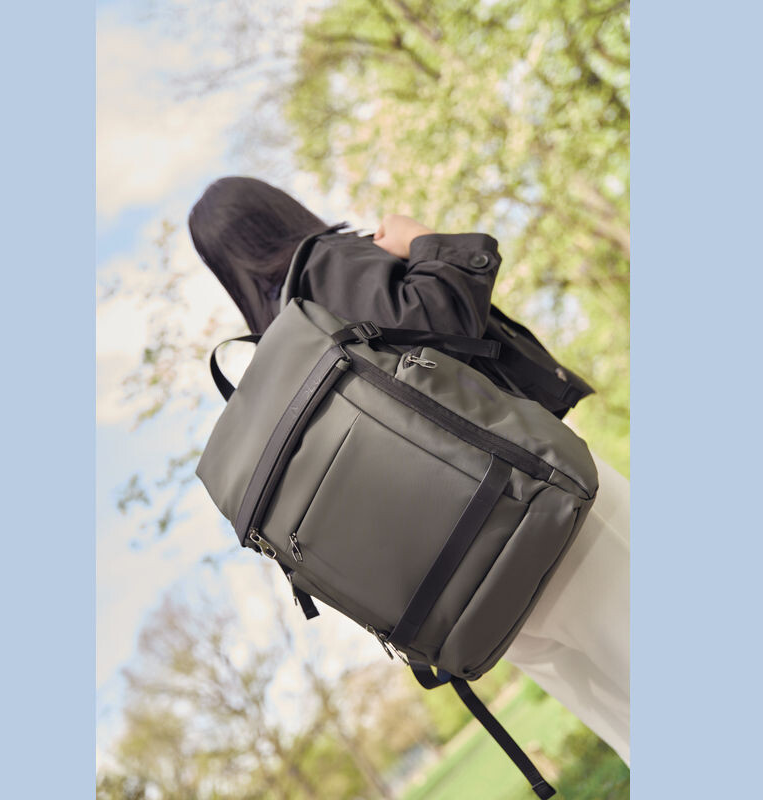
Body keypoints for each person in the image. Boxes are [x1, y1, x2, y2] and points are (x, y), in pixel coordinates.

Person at [189, 176, 630, 766]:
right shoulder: (323, 266)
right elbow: (440, 319)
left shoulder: (284, 354)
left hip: (466, 596)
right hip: (538, 506)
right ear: (277, 209)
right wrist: (423, 242)